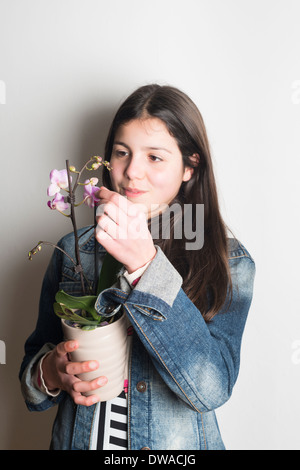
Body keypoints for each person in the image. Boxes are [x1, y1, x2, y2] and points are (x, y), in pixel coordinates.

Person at [19, 84, 255, 450]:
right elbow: (31, 378)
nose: (131, 172)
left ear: (190, 166)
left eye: (154, 157)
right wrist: (51, 372)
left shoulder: (229, 262)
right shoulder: (74, 249)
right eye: (121, 153)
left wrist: (146, 266)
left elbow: (211, 388)